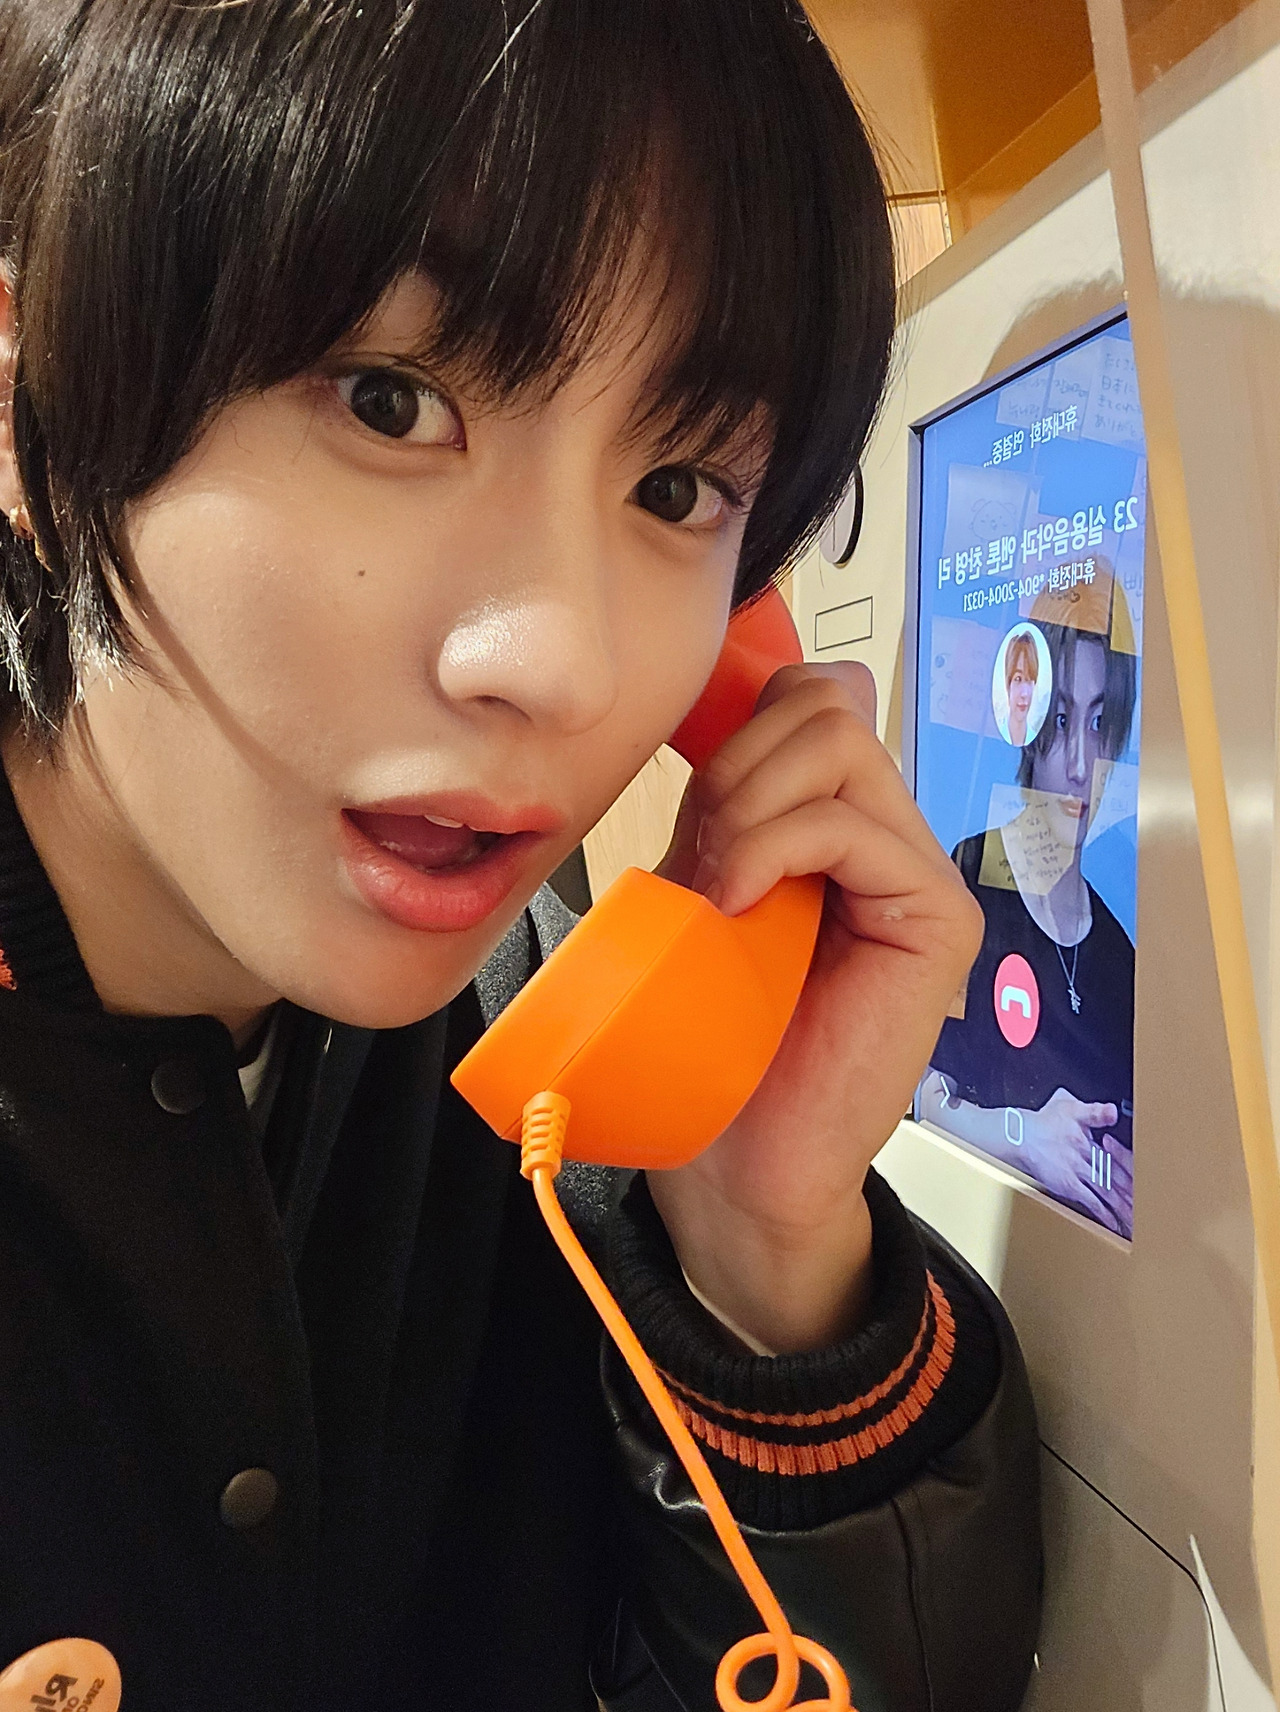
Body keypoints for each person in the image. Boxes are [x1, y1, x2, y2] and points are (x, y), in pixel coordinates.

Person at [0, 4, 1041, 1710]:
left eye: (679, 487)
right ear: (30, 408)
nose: (560, 663)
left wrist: (765, 1254)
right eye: (391, 401)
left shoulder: (528, 1091)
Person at [920, 570, 1137, 1236]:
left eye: (1099, 723)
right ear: (1025, 719)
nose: (1080, 764)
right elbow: (918, 1094)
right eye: (1062, 719)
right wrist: (1024, 1137)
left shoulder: (1119, 956)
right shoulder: (968, 878)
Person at [1002, 627, 1040, 747]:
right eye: (1018, 679)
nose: (1024, 694)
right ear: (1008, 684)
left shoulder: (1038, 745)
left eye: (1029, 680)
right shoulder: (995, 736)